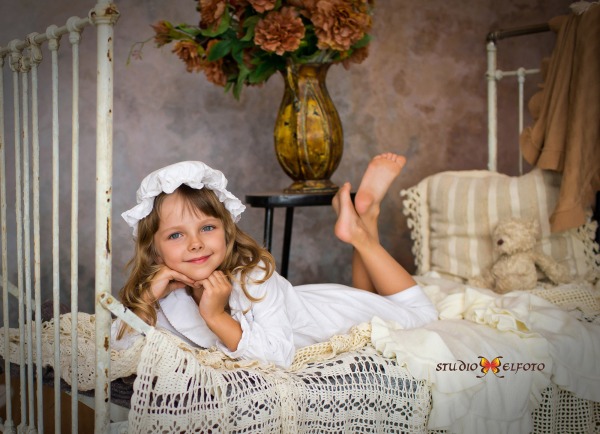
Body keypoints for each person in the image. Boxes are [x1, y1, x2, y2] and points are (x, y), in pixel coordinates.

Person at [112, 154, 437, 368]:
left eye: (207, 228)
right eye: (175, 235)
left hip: (332, 315)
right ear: (155, 251)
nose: (195, 243)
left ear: (226, 230)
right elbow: (119, 353)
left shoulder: (253, 275)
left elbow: (276, 357)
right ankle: (364, 216)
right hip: (309, 302)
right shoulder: (169, 292)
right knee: (369, 295)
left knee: (423, 314)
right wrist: (146, 299)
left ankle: (362, 231)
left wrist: (215, 316)